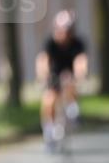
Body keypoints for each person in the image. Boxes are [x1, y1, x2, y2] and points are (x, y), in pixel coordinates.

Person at [36, 10, 88, 148]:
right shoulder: (50, 43)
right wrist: (44, 76)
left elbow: (80, 61)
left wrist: (80, 74)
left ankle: (73, 110)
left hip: (69, 73)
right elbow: (43, 60)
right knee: (49, 100)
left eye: (69, 30)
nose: (65, 34)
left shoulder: (77, 43)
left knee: (70, 83)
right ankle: (49, 130)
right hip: (54, 73)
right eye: (63, 30)